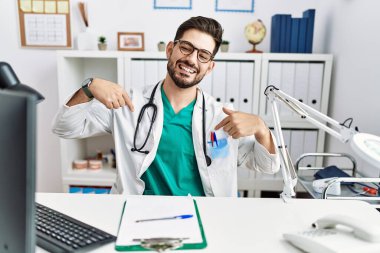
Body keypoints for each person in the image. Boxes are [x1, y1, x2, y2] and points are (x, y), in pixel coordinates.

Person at [52, 16, 280, 197]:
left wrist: (261, 128)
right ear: (170, 49)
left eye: (203, 55)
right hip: (138, 213)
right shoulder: (129, 105)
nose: (192, 60)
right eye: (186, 48)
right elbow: (64, 127)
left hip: (202, 216)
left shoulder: (221, 117)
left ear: (209, 67)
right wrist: (88, 88)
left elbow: (268, 166)